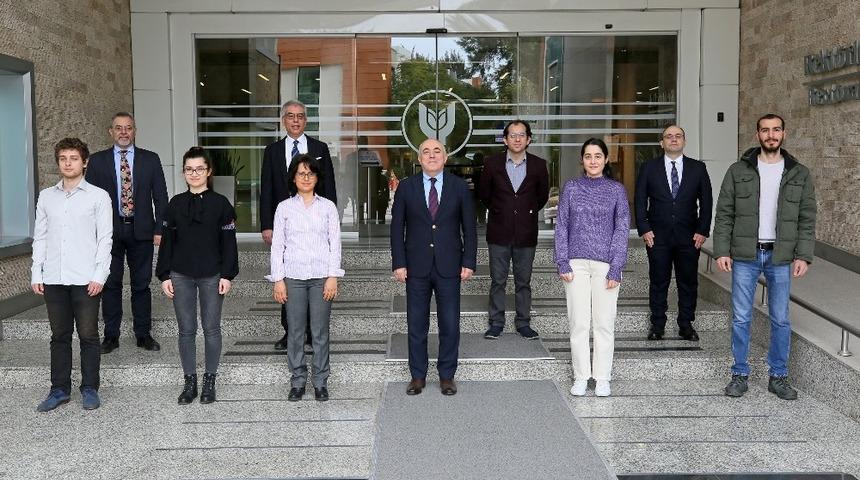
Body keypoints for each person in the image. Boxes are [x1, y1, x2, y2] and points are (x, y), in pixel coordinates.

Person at [713, 114, 816, 401]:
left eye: (776, 130)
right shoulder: (738, 170)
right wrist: (721, 250)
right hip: (746, 254)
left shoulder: (799, 173)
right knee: (742, 317)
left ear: (784, 133)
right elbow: (724, 214)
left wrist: (803, 255)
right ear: (757, 134)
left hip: (781, 256)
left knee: (781, 318)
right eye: (765, 130)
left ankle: (779, 376)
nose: (771, 135)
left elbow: (807, 218)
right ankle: (739, 374)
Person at [391, 138, 478, 396]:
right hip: (415, 266)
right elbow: (397, 229)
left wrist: (469, 261)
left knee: (449, 324)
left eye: (436, 151)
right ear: (418, 159)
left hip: (449, 265)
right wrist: (399, 262)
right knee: (416, 324)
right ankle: (417, 376)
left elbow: (469, 229)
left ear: (445, 157)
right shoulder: (406, 188)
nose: (431, 155)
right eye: (426, 152)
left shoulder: (460, 187)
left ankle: (447, 376)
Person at [31, 138, 113, 412]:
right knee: (59, 336)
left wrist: (100, 275)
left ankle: (89, 388)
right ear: (58, 162)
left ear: (85, 162)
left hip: (86, 279)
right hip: (54, 277)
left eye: (74, 158)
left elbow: (105, 239)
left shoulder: (98, 196)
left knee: (89, 335)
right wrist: (36, 272)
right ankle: (59, 390)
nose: (68, 162)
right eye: (63, 158)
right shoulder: (46, 196)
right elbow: (40, 237)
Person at [155, 147, 239, 405]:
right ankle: (189, 381)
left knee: (211, 328)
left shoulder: (221, 204)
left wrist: (227, 274)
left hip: (212, 275)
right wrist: (164, 275)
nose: (194, 173)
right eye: (189, 169)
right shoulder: (175, 204)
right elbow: (167, 242)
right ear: (183, 172)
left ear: (208, 171)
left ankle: (209, 380)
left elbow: (229, 244)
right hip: (180, 275)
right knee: (186, 330)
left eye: (199, 169)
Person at [86, 112, 169, 354]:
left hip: (141, 230)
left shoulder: (150, 159)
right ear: (110, 132)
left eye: (128, 128)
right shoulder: (97, 161)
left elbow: (161, 197)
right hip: (108, 232)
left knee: (141, 285)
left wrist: (159, 228)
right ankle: (111, 336)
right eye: (118, 128)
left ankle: (143, 334)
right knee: (110, 284)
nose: (124, 132)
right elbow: (88, 200)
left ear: (135, 131)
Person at [260, 100, 337, 351]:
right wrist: (266, 224)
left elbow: (329, 188)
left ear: (306, 120)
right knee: (287, 276)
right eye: (291, 116)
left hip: (315, 223)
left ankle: (314, 333)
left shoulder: (319, 148)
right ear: (284, 120)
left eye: (300, 116)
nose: (295, 120)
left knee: (314, 279)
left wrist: (330, 221)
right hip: (285, 224)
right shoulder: (272, 151)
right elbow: (267, 189)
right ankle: (290, 331)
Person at [555, 138, 629, 397]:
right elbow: (562, 225)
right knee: (578, 323)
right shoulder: (572, 188)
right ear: (582, 160)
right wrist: (562, 260)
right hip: (575, 264)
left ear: (606, 159)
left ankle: (602, 377)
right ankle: (581, 376)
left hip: (606, 264)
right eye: (588, 156)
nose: (593, 161)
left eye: (598, 156)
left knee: (604, 323)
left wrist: (616, 266)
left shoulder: (616, 190)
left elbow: (621, 229)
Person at [267, 154, 344, 402]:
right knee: (296, 332)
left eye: (311, 173)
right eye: (301, 173)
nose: (306, 177)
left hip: (322, 276)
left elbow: (336, 244)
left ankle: (320, 381)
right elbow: (277, 246)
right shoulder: (284, 208)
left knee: (320, 332)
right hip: (294, 277)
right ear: (293, 177)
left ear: (317, 177)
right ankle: (298, 381)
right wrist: (278, 279)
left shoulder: (328, 207)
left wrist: (333, 276)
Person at [634, 125, 713, 341]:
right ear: (662, 143)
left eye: (678, 136)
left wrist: (702, 230)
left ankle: (686, 324)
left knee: (687, 281)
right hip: (657, 236)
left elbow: (706, 202)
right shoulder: (649, 168)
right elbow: (640, 200)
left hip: (689, 237)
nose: (674, 139)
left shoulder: (698, 168)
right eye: (669, 136)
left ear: (684, 141)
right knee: (658, 281)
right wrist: (644, 228)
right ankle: (657, 325)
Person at [478, 120, 549, 340]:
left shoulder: (539, 165)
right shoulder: (492, 164)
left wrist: (523, 213)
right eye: (512, 135)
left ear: (528, 139)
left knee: (523, 281)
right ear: (505, 139)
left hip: (526, 232)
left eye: (521, 135)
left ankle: (523, 322)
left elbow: (542, 197)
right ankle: (496, 322)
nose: (517, 139)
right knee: (498, 280)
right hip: (499, 230)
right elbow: (485, 194)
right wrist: (504, 211)